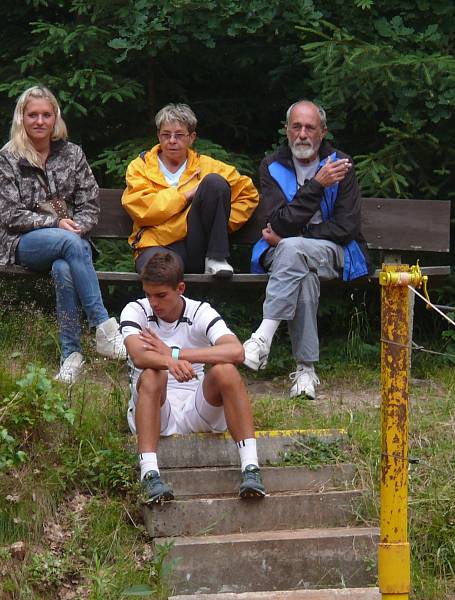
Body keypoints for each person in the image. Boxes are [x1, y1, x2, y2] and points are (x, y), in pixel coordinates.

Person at [0, 85, 126, 384]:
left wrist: (78, 226)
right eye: (32, 114)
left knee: (64, 268)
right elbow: (10, 215)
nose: (39, 121)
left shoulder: (73, 154)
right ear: (21, 118)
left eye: (46, 115)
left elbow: (90, 203)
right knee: (68, 242)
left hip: (69, 243)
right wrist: (57, 224)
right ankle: (103, 326)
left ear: (55, 118)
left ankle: (71, 357)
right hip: (19, 243)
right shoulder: (7, 159)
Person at [242, 100, 370, 399]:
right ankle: (306, 371)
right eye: (296, 127)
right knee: (302, 273)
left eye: (309, 127)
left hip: (335, 252)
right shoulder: (271, 166)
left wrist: (301, 231)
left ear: (322, 132)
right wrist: (316, 187)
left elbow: (346, 227)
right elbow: (277, 221)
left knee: (292, 247)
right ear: (287, 130)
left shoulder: (340, 165)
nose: (302, 134)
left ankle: (263, 337)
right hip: (288, 255)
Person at [120, 252, 265, 503]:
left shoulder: (200, 311)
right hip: (154, 408)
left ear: (180, 288)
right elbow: (138, 355)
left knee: (225, 370)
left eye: (161, 295)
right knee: (154, 374)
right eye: (149, 294)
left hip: (194, 408)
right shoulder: (136, 310)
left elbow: (236, 351)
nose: (154, 302)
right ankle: (150, 474)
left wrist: (175, 352)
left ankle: (251, 468)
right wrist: (168, 361)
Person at [122, 103, 260, 278]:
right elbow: (143, 210)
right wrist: (185, 195)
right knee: (161, 271)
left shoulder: (209, 166)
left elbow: (248, 195)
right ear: (158, 135)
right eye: (166, 134)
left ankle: (216, 258)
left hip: (197, 246)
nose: (172, 140)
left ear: (191, 137)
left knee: (214, 182)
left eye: (179, 135)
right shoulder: (140, 167)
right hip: (155, 244)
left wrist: (218, 221)